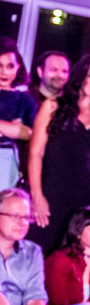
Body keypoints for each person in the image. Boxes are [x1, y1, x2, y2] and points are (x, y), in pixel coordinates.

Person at [28, 54, 90, 251]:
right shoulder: (53, 106)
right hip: (56, 190)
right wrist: (37, 195)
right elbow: (35, 153)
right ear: (80, 75)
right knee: (46, 246)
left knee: (81, 253)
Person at [0, 189, 90, 305]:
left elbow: (35, 298)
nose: (22, 223)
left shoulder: (32, 252)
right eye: (15, 216)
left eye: (26, 217)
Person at [0, 37, 37, 190]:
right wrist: (10, 128)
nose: (4, 72)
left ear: (18, 67)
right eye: (0, 66)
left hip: (6, 162)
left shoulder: (24, 100)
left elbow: (29, 133)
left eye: (10, 66)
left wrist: (17, 130)